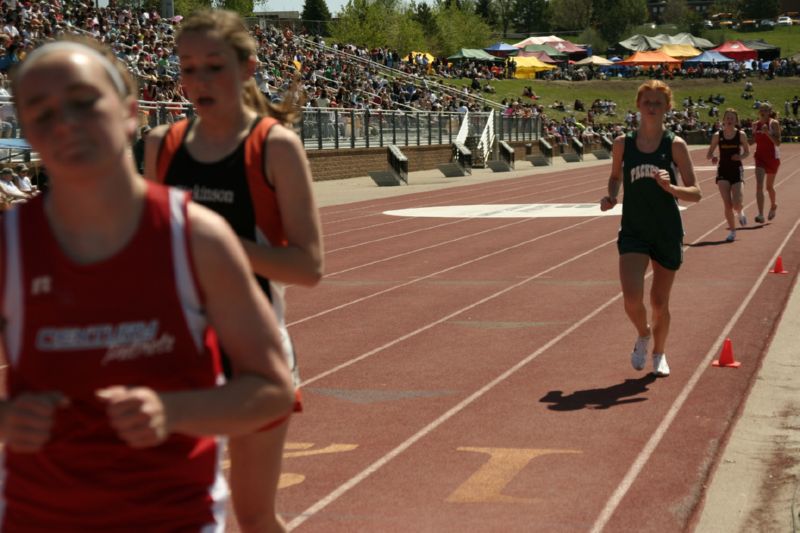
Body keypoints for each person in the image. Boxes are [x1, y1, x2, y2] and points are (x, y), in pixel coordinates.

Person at [0, 37, 295, 530]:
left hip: (171, 517)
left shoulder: (196, 239)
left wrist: (173, 411)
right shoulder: (10, 247)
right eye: (41, 112)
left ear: (130, 112)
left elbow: (271, 392)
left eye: (83, 102)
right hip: (38, 517)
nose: (66, 124)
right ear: (26, 129)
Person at [143, 10, 323, 532]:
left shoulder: (274, 148)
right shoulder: (162, 146)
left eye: (214, 67)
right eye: (187, 67)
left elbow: (308, 266)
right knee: (170, 508)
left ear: (247, 69)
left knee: (253, 515)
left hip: (253, 355)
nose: (199, 81)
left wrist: (220, 244)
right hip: (180, 351)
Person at [600, 80, 702, 377]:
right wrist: (611, 195)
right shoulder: (623, 143)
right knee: (631, 298)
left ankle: (659, 353)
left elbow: (695, 192)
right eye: (648, 102)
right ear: (638, 106)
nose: (653, 108)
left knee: (659, 301)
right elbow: (615, 176)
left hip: (666, 231)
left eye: (658, 103)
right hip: (633, 229)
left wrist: (671, 187)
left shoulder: (676, 145)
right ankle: (644, 335)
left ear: (668, 107)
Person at [706, 108, 749, 242]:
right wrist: (713, 157)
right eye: (727, 118)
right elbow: (709, 153)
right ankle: (732, 231)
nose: (729, 120)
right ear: (723, 120)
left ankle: (740, 211)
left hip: (736, 170)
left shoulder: (741, 135)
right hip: (723, 171)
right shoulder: (717, 135)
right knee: (727, 204)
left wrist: (740, 156)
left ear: (736, 121)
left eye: (732, 118)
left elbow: (747, 152)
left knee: (737, 203)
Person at [748, 103, 781, 223]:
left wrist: (767, 133)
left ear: (769, 112)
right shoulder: (755, 125)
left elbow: (778, 143)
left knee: (769, 187)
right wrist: (740, 138)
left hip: (772, 158)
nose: (763, 112)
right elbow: (752, 142)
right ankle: (760, 214)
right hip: (760, 158)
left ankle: (773, 205)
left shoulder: (774, 124)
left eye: (765, 110)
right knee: (759, 185)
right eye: (761, 110)